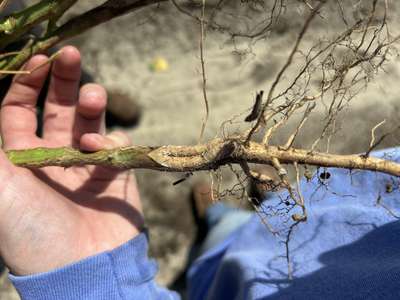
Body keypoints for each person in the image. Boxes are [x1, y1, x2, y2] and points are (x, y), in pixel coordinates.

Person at [1, 46, 400, 300]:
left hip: (231, 282)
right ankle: (271, 200)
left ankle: (219, 221)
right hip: (324, 210)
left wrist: (95, 280)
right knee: (301, 205)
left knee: (226, 238)